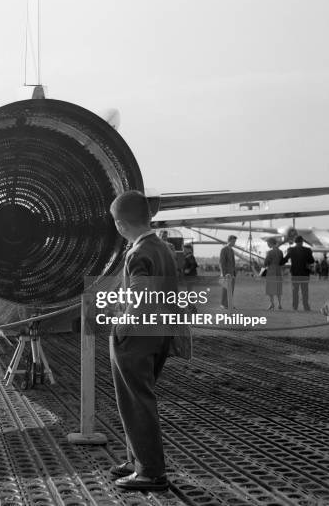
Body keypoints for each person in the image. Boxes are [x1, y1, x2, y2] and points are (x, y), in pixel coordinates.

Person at [108, 190, 191, 492]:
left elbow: (140, 297)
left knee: (136, 403)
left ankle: (150, 471)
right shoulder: (163, 248)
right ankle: (136, 460)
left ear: (120, 224)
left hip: (138, 337)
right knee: (139, 399)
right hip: (160, 333)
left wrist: (122, 326)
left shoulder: (137, 253)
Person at [282, 236, 314, 311]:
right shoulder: (307, 250)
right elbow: (311, 261)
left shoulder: (291, 250)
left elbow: (284, 260)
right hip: (305, 274)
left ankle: (295, 306)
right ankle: (306, 306)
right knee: (305, 292)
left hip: (295, 274)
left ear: (295, 242)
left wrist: (277, 261)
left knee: (295, 291)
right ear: (302, 242)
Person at [264, 238, 284, 310]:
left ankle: (272, 304)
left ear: (270, 243)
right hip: (278, 271)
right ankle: (279, 304)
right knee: (278, 288)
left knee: (270, 289)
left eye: (268, 243)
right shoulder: (280, 252)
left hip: (271, 272)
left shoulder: (269, 252)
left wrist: (266, 261)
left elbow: (265, 263)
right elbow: (282, 262)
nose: (267, 245)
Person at [219, 235, 237, 309]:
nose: (234, 243)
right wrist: (223, 273)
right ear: (229, 240)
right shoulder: (224, 249)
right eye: (233, 241)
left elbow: (233, 263)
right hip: (226, 273)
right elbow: (221, 262)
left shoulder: (231, 250)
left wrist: (234, 273)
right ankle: (223, 304)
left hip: (232, 273)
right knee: (225, 289)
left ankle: (229, 304)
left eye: (234, 242)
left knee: (231, 290)